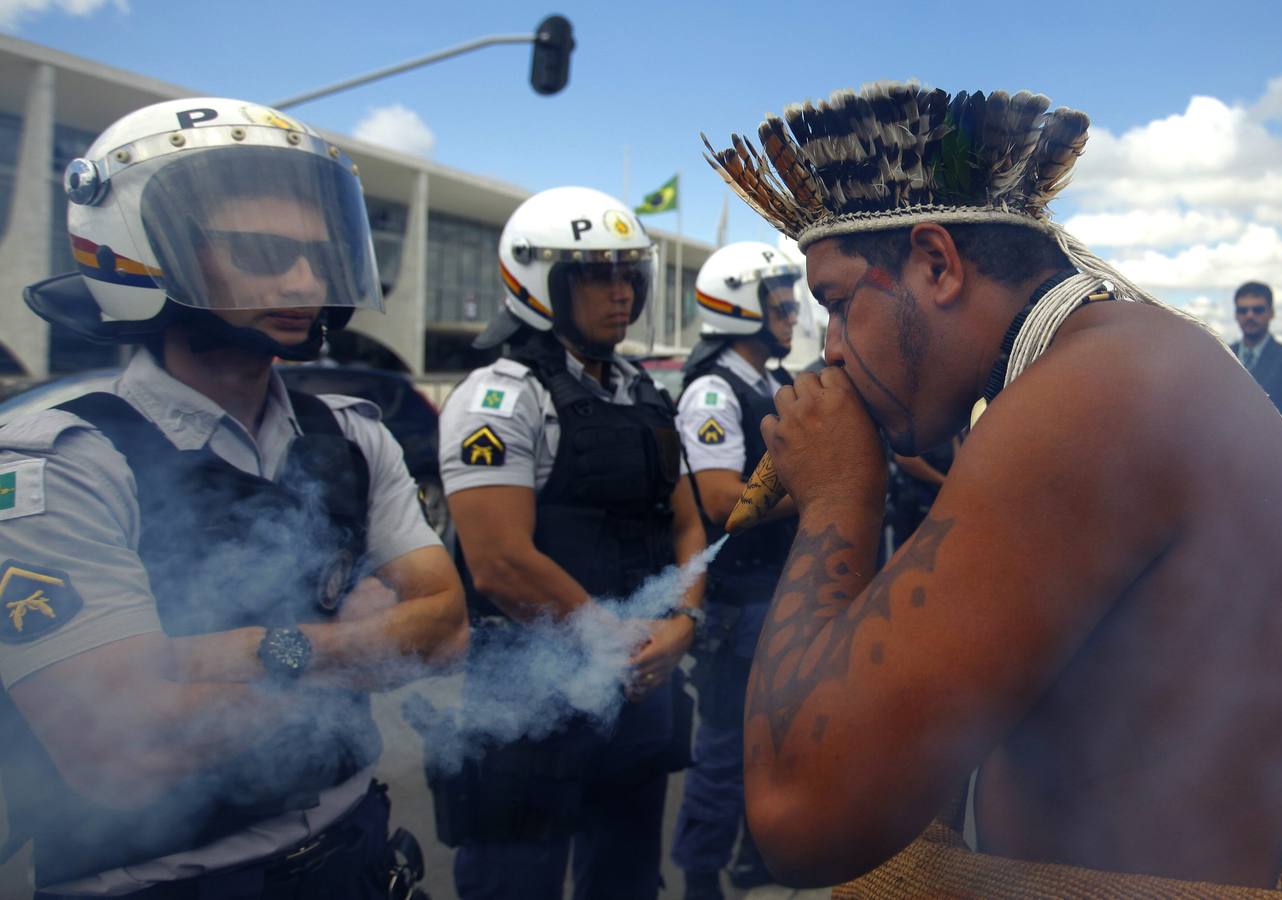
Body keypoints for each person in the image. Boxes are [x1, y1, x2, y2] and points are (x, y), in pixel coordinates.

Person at [703, 81, 1282, 896]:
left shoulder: (1093, 396)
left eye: (836, 305)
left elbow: (799, 814)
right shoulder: (1109, 364)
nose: (830, 351)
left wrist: (837, 498)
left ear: (937, 264)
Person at [0, 98, 469, 898]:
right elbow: (126, 748)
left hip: (356, 850)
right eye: (259, 252)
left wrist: (241, 654)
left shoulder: (354, 435)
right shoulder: (60, 462)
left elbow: (448, 630)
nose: (303, 281)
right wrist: (359, 646)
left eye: (319, 256)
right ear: (142, 254)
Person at [435, 186, 705, 900]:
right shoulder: (497, 398)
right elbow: (499, 563)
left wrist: (683, 623)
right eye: (596, 275)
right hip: (532, 693)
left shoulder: (644, 392)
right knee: (513, 880)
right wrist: (609, 635)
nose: (621, 294)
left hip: (638, 681)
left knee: (627, 879)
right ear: (540, 280)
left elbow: (686, 523)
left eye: (628, 274)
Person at [670, 241, 801, 900]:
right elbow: (724, 503)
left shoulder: (771, 383)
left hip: (777, 594)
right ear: (740, 306)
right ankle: (700, 873)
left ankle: (755, 855)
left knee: (773, 742)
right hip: (736, 602)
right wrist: (823, 490)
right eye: (778, 298)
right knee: (723, 749)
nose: (792, 311)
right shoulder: (713, 391)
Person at [1230, 281, 1282, 412]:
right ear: (1236, 315)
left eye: (1258, 310)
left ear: (1271, 313)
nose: (1250, 315)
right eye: (1243, 310)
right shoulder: (1223, 356)